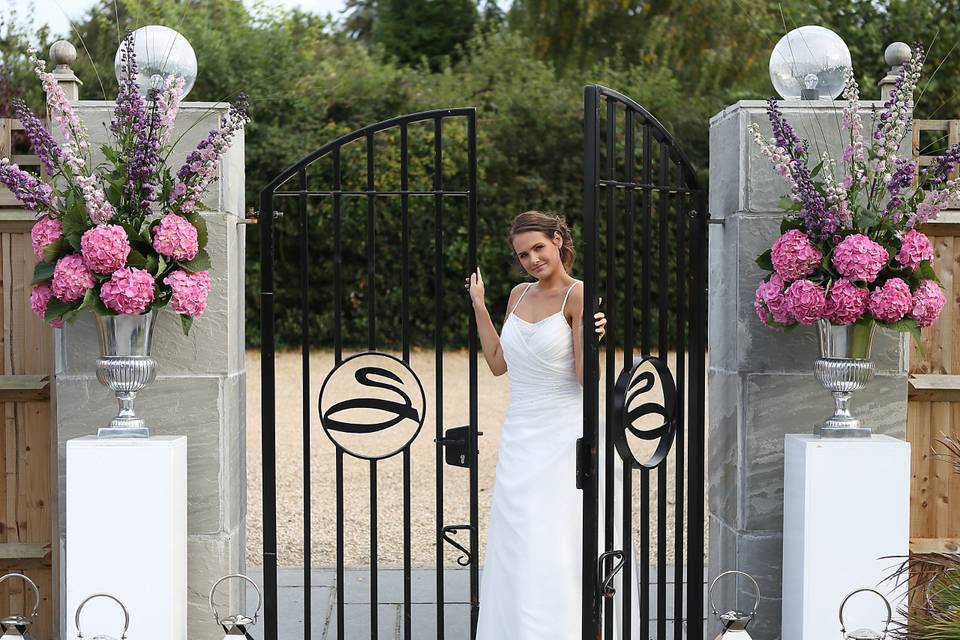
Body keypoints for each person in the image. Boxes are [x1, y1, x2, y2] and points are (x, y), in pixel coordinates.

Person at [465, 210, 607, 638]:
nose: (531, 260)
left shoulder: (579, 296)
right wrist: (479, 305)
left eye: (538, 248)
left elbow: (586, 380)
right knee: (518, 539)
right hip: (519, 436)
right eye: (523, 254)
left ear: (559, 240)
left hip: (564, 435)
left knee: (556, 538)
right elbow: (496, 363)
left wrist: (595, 337)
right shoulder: (517, 295)